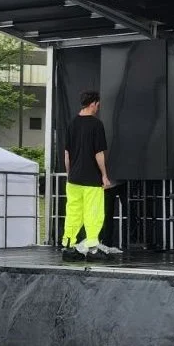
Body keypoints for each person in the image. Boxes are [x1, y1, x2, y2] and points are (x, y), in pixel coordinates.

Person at [62, 90, 112, 261]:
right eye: (98, 104)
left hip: (74, 179)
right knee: (94, 212)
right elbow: (99, 153)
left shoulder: (72, 123)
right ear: (93, 104)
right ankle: (92, 248)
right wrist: (104, 175)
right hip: (91, 179)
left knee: (73, 212)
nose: (98, 107)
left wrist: (70, 174)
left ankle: (68, 247)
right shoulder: (96, 125)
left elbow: (67, 154)